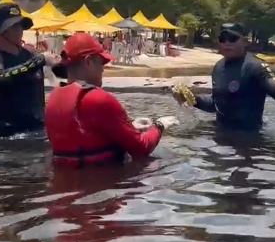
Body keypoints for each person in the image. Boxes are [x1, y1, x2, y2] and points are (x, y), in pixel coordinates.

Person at [45, 32, 177, 166]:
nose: (103, 69)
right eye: (101, 62)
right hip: (102, 184)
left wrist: (130, 126)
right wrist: (159, 126)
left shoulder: (53, 98)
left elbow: (85, 134)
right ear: (88, 62)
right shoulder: (98, 99)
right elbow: (141, 148)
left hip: (65, 182)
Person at [172, 22, 275, 131]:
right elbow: (216, 104)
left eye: (233, 38)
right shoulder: (218, 68)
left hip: (249, 139)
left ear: (244, 41)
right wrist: (192, 99)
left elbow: (272, 84)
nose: (227, 43)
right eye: (223, 39)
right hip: (221, 135)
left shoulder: (254, 66)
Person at [0, 3, 60, 137]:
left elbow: (62, 73)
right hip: (4, 136)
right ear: (1, 31)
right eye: (14, 26)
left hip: (36, 131)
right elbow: (1, 77)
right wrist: (38, 61)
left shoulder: (30, 54)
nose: (20, 30)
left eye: (20, 25)